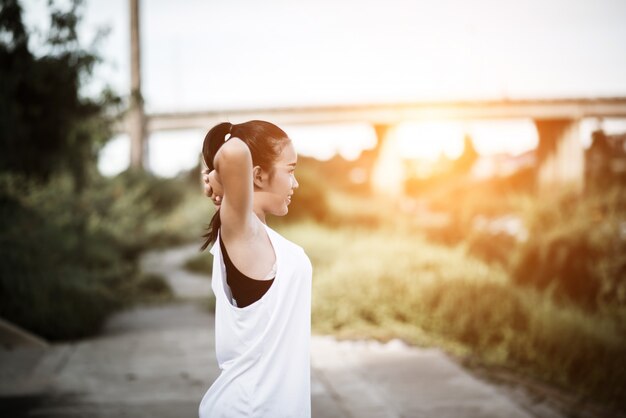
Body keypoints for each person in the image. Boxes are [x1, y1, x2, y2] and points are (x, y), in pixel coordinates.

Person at [198, 120, 312, 418]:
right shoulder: (243, 230)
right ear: (259, 176)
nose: (295, 182)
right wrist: (215, 177)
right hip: (249, 409)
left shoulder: (258, 234)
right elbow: (234, 151)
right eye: (290, 170)